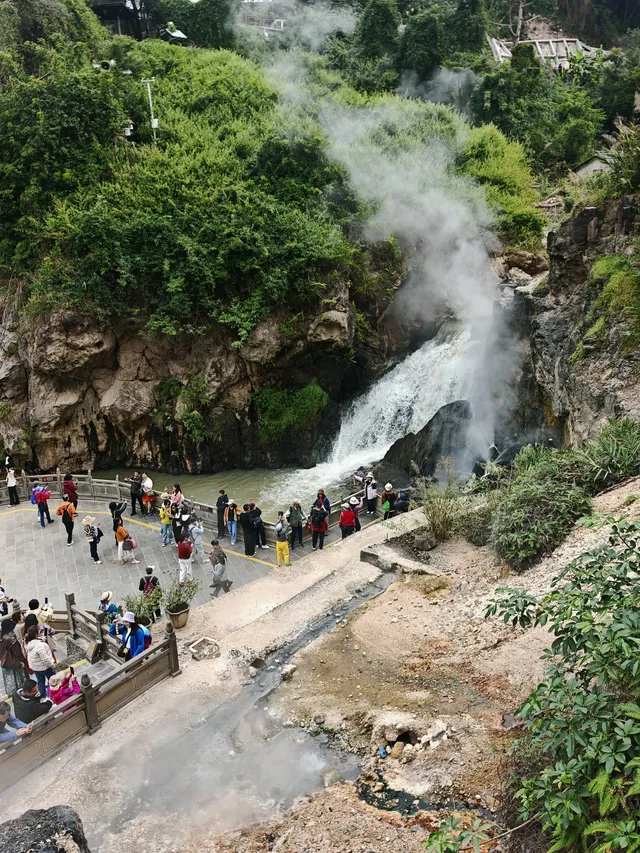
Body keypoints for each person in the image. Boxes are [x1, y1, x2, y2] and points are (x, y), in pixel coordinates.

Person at [26, 626, 56, 697]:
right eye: (39, 631)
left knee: (40, 681)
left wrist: (45, 630)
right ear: (36, 634)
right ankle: (50, 696)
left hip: (35, 667)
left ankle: (42, 695)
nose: (40, 632)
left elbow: (44, 637)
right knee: (52, 681)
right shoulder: (40, 646)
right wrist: (52, 665)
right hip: (45, 667)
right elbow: (45, 659)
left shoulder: (29, 643)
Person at [0, 618, 27, 695]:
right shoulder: (11, 638)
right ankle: (20, 691)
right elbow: (17, 652)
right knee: (19, 677)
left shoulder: (2, 636)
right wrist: (23, 660)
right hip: (14, 661)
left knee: (9, 679)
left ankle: (11, 692)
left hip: (4, 661)